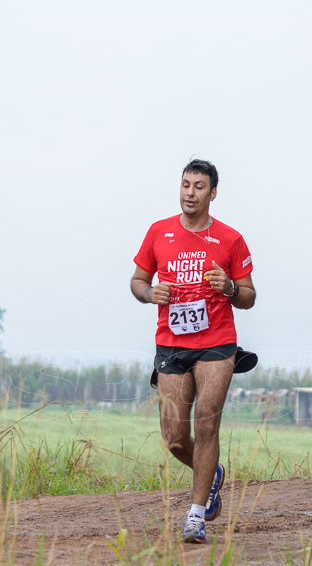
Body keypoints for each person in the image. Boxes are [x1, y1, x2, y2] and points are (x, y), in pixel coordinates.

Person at [130, 159, 256, 543]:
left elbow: (249, 296)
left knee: (206, 423)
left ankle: (196, 515)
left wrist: (230, 289)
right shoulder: (159, 233)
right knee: (174, 437)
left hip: (217, 342)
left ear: (212, 194)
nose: (190, 192)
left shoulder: (231, 240)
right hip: (171, 344)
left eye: (199, 186)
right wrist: (151, 293)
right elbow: (137, 280)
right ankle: (212, 472)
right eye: (185, 184)